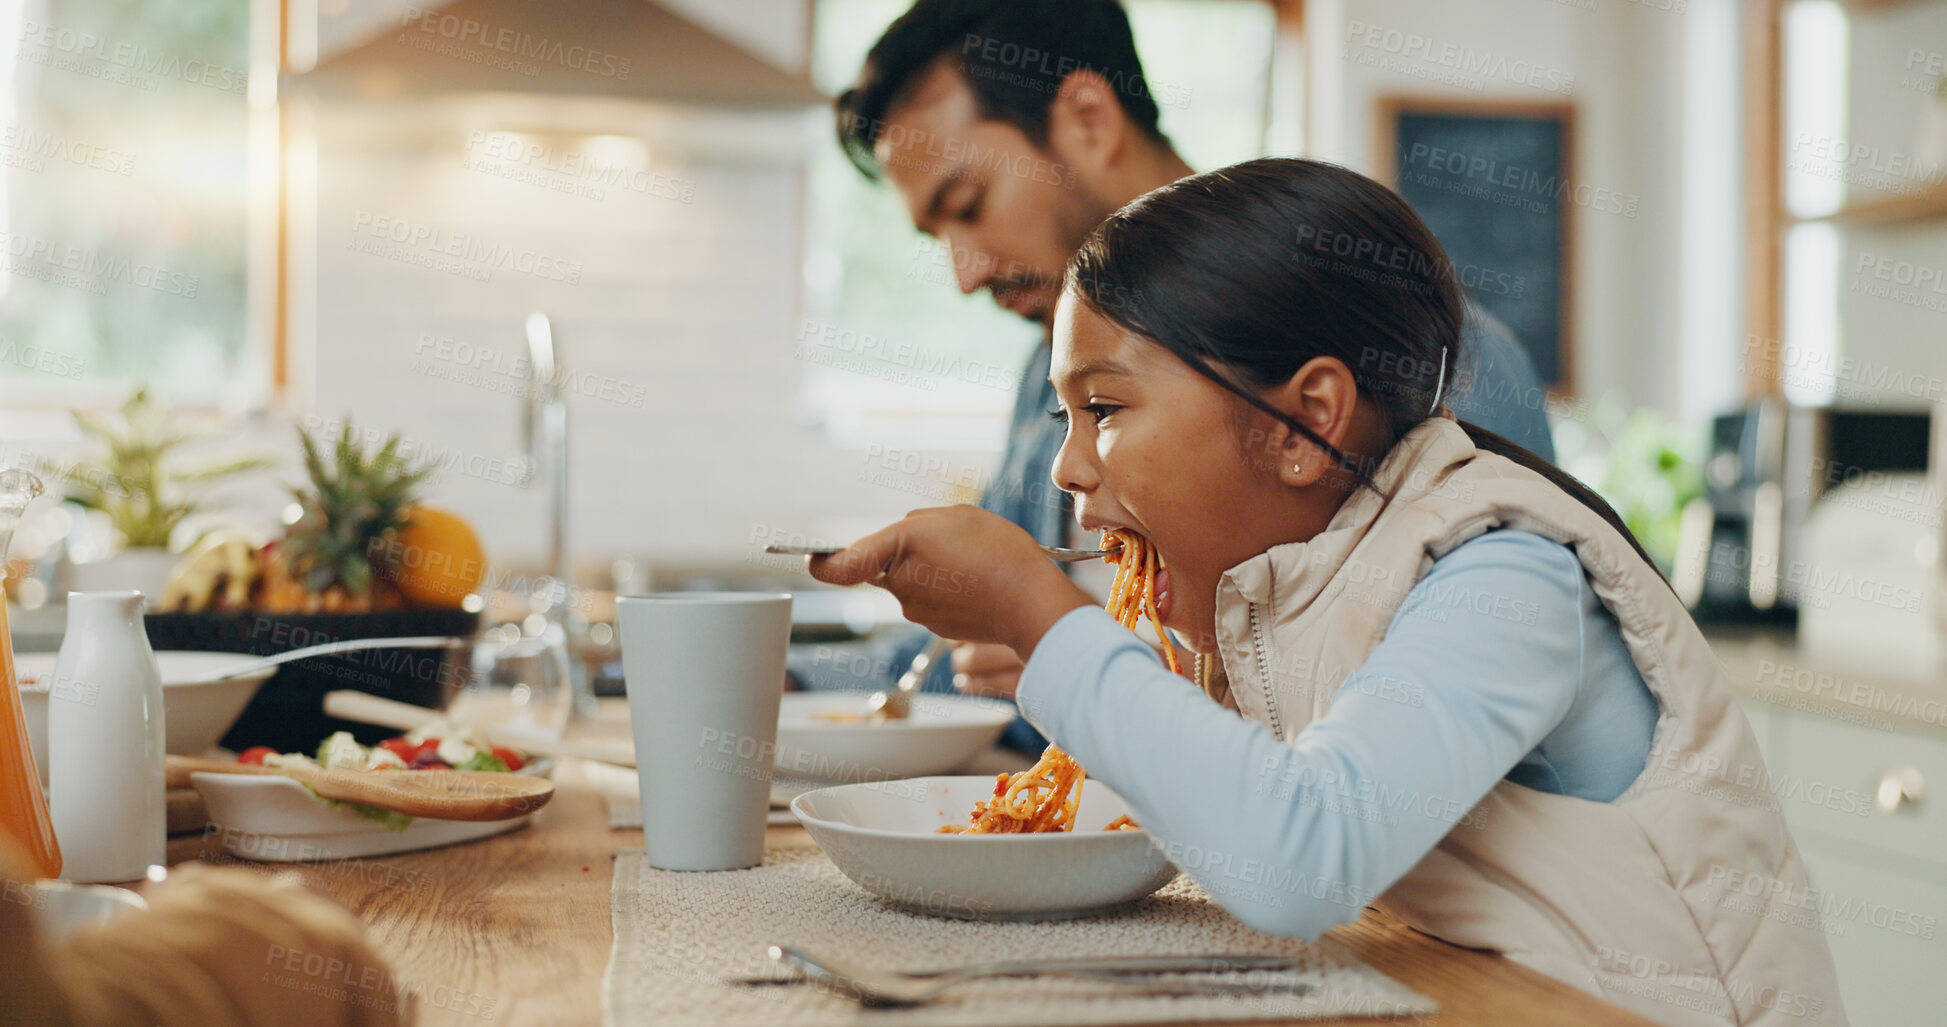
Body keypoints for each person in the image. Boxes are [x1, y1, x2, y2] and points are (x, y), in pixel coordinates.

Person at [807, 158, 1846, 1027]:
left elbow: (1301, 857)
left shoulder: (1505, 572)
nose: (1068, 470)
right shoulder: (1299, 578)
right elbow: (1229, 804)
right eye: (1064, 416)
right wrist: (1057, 660)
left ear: (1305, 421)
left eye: (1105, 407)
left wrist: (1048, 616)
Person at [788, 0, 1555, 727]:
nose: (962, 273)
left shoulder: (1432, 355)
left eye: (968, 204)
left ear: (1088, 118)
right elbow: (962, 656)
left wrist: (1100, 664)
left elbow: (1440, 707)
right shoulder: (1043, 379)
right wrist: (789, 677)